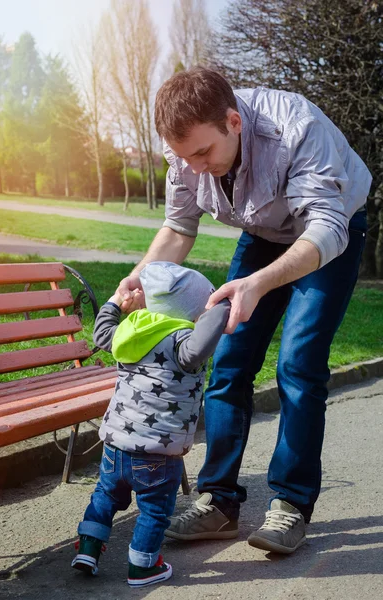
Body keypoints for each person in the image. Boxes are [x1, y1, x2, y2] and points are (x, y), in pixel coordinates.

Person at [116, 67, 372, 555]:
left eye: (202, 153)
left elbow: (327, 229)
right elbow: (178, 227)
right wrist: (139, 277)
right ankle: (218, 502)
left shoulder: (296, 128)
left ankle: (292, 504)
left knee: (298, 363)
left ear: (234, 121)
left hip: (327, 233)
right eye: (182, 156)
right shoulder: (187, 152)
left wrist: (257, 283)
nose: (192, 167)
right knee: (228, 360)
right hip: (263, 233)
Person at [72, 261, 230, 587]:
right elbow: (198, 348)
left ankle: (88, 547)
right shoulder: (183, 341)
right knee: (155, 510)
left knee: (105, 496)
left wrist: (116, 300)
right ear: (193, 310)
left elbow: (101, 333)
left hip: (116, 444)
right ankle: (143, 565)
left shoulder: (133, 329)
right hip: (158, 453)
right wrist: (222, 304)